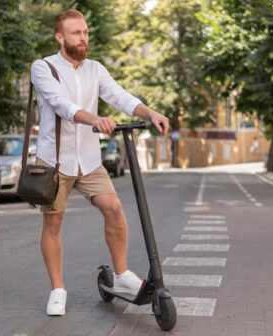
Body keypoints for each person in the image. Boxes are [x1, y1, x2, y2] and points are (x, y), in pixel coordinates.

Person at [31, 9, 169, 316]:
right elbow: (62, 105)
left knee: (114, 208)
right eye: (76, 33)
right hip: (55, 161)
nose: (83, 37)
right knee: (54, 223)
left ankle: (121, 276)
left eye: (85, 32)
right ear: (60, 37)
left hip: (89, 160)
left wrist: (151, 113)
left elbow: (119, 96)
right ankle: (57, 289)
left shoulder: (95, 69)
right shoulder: (43, 68)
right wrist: (96, 119)